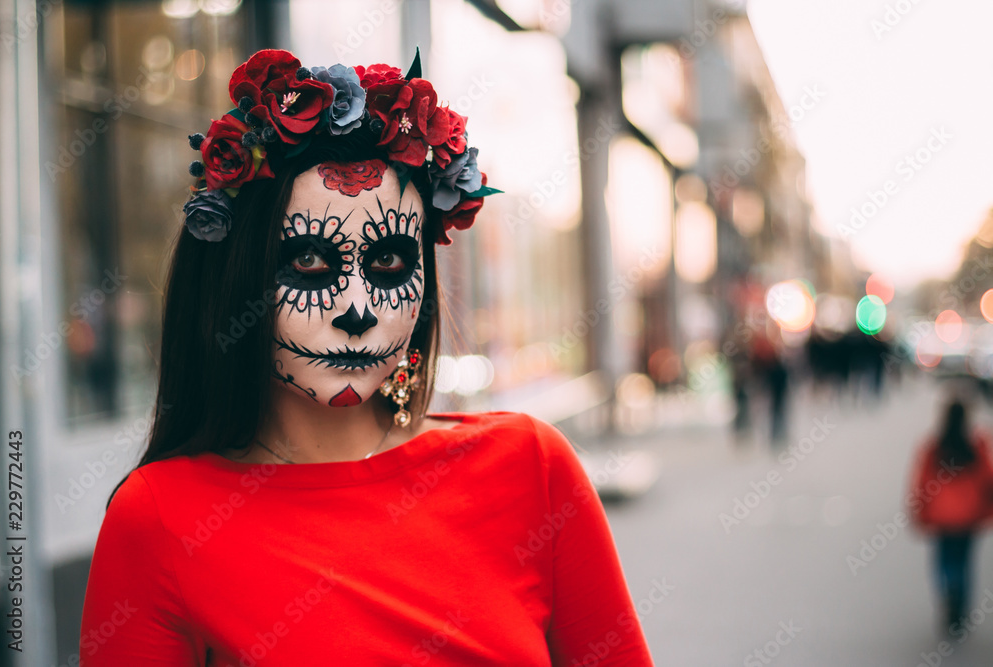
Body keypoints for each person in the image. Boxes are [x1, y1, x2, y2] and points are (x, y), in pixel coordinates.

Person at [78, 48, 654, 665]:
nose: (356, 310)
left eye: (388, 263)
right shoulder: (161, 520)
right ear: (236, 280)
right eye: (308, 262)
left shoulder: (532, 471)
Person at [908, 399, 993, 631]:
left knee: (943, 559)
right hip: (969, 515)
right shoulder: (977, 444)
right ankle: (960, 602)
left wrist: (919, 511)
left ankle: (949, 590)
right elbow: (988, 479)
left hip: (941, 516)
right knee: (965, 560)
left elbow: (922, 482)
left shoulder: (934, 446)